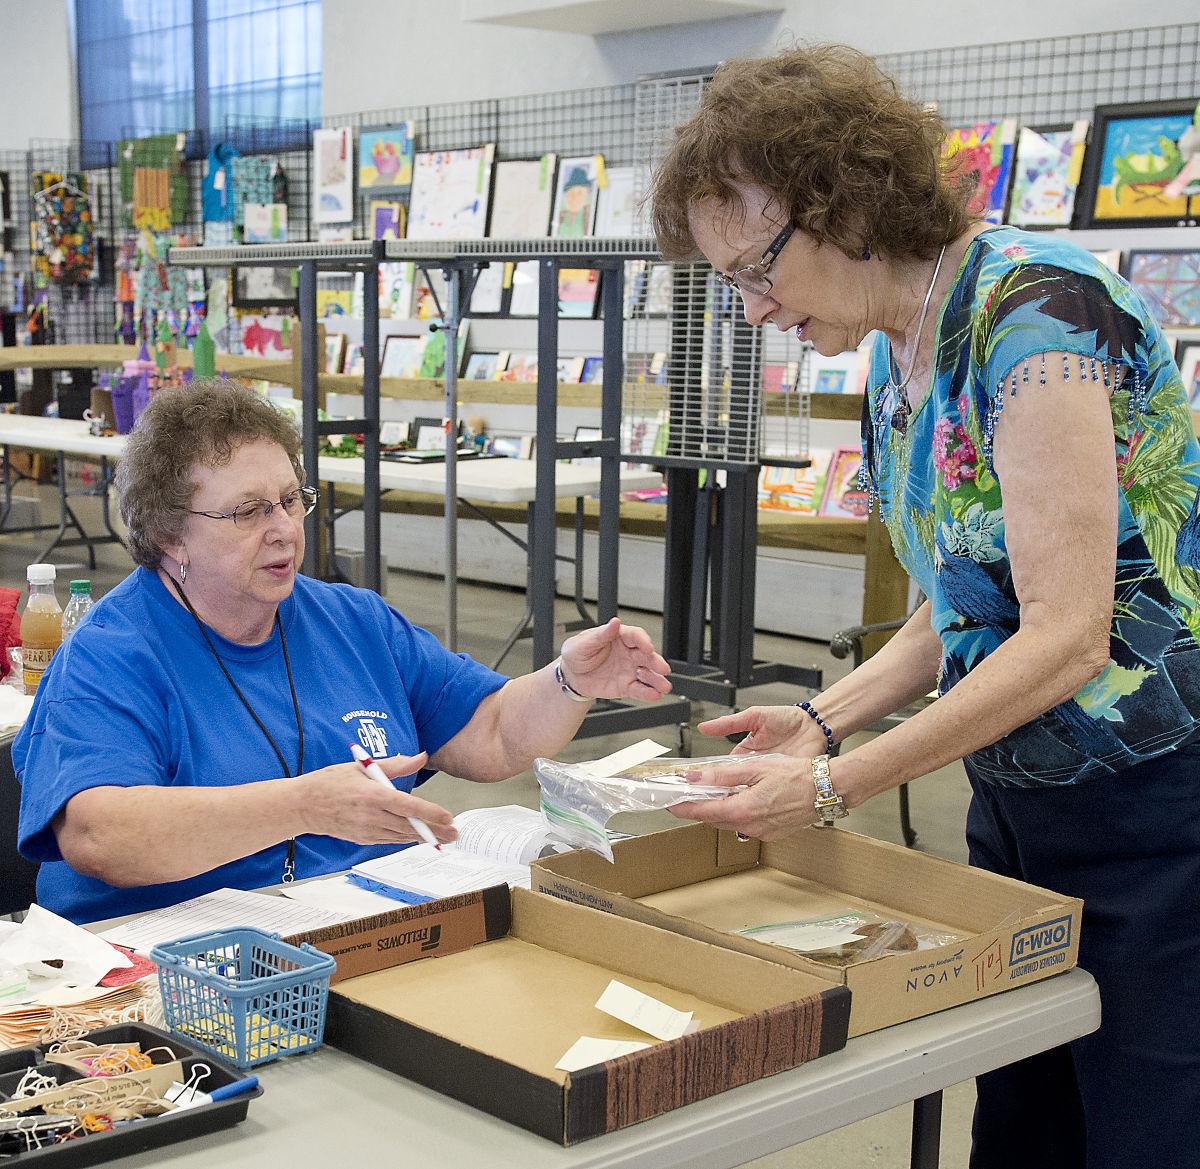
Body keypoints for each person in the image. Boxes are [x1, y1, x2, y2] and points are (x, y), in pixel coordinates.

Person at [649, 44, 1200, 1169]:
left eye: (758, 269)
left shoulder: (1039, 318)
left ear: (842, 204)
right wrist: (820, 718)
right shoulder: (897, 354)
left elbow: (1064, 633)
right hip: (1021, 810)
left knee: (1147, 1125)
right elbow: (959, 601)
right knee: (1024, 1121)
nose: (754, 312)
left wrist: (832, 783)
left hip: (1157, 812)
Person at [14, 380, 671, 925]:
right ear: (169, 534)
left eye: (290, 500)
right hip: (173, 963)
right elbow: (102, 835)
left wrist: (567, 679)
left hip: (348, 933)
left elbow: (493, 730)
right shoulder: (110, 656)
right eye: (247, 512)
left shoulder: (351, 621)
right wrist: (305, 805)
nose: (283, 529)